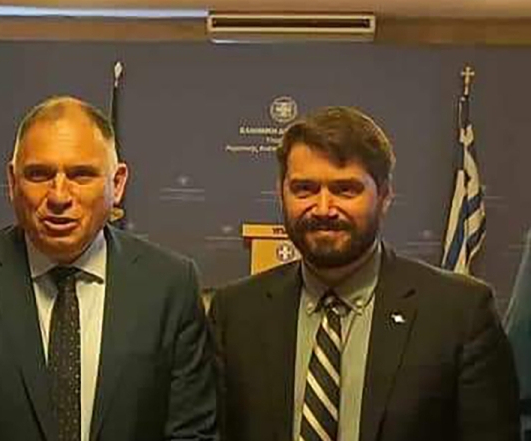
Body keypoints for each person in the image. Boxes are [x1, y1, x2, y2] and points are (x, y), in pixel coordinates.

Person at [0, 96, 216, 441]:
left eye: (81, 175)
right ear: (12, 182)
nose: (59, 196)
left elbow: (191, 433)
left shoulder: (170, 286)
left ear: (117, 184)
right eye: (39, 174)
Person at [210, 106, 519, 441]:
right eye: (304, 189)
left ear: (384, 196)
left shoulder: (460, 313)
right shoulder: (235, 314)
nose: (323, 208)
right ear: (281, 192)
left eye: (345, 190)